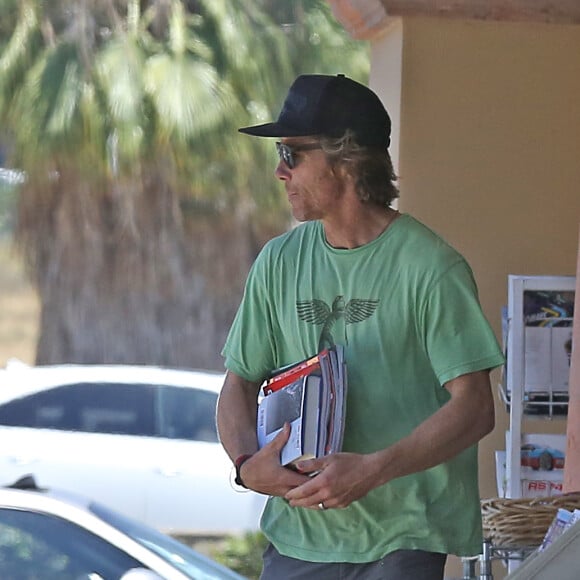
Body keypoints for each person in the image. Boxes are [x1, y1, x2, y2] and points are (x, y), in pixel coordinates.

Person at [216, 73, 505, 580]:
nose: (281, 172)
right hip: (299, 536)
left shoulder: (430, 266)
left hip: (404, 537)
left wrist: (373, 470)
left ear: (345, 159)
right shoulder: (278, 262)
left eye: (291, 154)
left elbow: (476, 408)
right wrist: (245, 463)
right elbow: (238, 382)